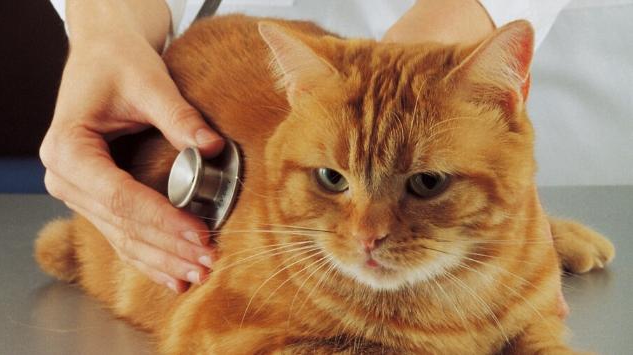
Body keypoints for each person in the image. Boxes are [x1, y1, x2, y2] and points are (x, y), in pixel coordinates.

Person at [42, 0, 571, 293]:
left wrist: (440, 87)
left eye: (428, 183)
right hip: (273, 70)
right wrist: (106, 26)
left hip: (483, 69)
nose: (369, 234)